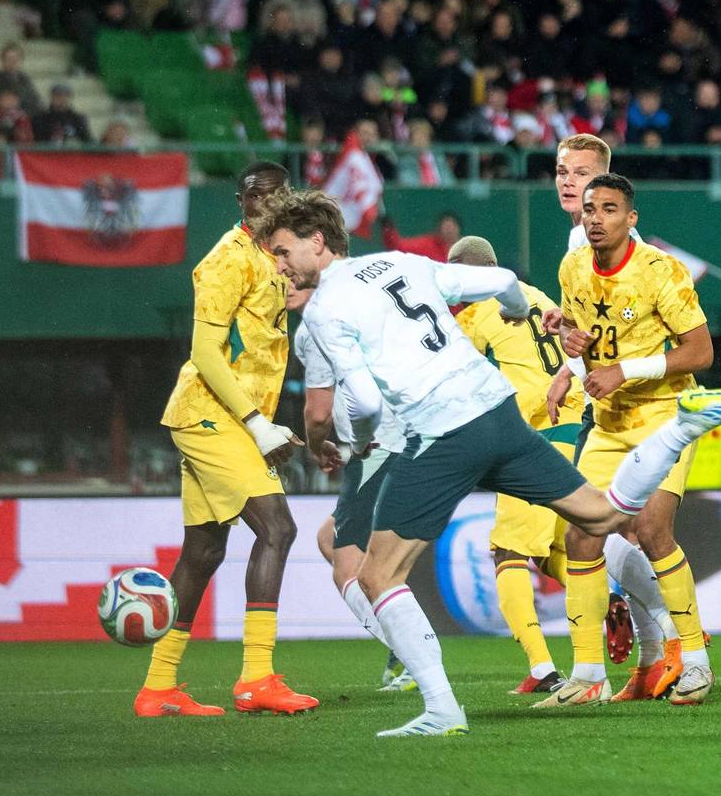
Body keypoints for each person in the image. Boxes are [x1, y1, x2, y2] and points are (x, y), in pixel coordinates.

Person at [252, 188, 721, 736]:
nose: (279, 265)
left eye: (282, 251)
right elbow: (500, 281)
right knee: (602, 516)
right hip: (500, 413)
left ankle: (441, 709)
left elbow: (367, 403)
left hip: (442, 432)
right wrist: (520, 310)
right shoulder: (400, 263)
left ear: (316, 241)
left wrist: (355, 439)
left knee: (377, 574)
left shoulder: (324, 311)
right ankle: (683, 428)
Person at [134, 162, 317, 718]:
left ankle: (158, 687)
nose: (265, 204)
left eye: (276, 195)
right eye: (256, 196)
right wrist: (257, 424)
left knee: (204, 551)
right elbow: (205, 353)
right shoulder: (227, 259)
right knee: (278, 528)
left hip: (227, 417)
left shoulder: (273, 258)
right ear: (241, 201)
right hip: (212, 415)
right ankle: (256, 677)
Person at [555, 173, 714, 706]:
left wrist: (626, 370)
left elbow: (700, 352)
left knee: (651, 529)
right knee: (580, 535)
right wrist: (571, 349)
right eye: (590, 209)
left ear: (631, 218)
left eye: (609, 208)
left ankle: (695, 662)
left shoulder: (659, 270)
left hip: (664, 417)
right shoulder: (573, 267)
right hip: (608, 424)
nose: (596, 218)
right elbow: (577, 335)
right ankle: (586, 675)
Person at [449, 234, 582, 694]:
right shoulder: (537, 296)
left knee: (509, 553)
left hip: (534, 442)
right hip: (578, 434)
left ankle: (543, 668)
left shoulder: (473, 317)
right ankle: (623, 604)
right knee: (556, 553)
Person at [290, 282, 414, 692]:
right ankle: (405, 649)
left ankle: (409, 653)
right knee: (333, 539)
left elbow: (318, 412)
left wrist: (315, 445)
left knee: (349, 563)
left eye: (289, 270)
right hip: (396, 441)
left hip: (378, 447)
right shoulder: (357, 307)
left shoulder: (315, 325)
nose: (283, 281)